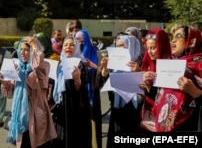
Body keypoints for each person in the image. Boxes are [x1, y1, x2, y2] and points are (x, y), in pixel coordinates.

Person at [0, 36, 57, 148]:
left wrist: (35, 45)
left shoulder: (43, 66)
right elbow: (10, 94)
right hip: (20, 116)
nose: (23, 52)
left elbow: (37, 63)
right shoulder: (17, 68)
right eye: (21, 49)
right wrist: (4, 82)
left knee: (36, 143)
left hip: (36, 116)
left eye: (27, 49)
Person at [152, 25, 202, 132]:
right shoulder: (169, 63)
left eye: (178, 36)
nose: (173, 41)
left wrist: (194, 91)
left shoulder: (200, 65)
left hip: (190, 127)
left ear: (191, 40)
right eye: (172, 37)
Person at [97, 34, 143, 148]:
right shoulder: (115, 65)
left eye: (123, 46)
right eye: (117, 46)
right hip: (117, 113)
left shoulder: (141, 63)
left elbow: (147, 90)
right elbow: (105, 86)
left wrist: (138, 72)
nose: (119, 49)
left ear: (131, 46)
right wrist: (105, 70)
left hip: (134, 114)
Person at [52, 36, 91, 148]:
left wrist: (77, 79)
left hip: (74, 109)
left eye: (72, 45)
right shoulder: (59, 64)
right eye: (66, 45)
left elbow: (81, 90)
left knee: (74, 139)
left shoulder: (80, 64)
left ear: (77, 48)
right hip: (60, 108)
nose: (68, 47)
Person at [68, 19, 102, 148]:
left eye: (82, 40)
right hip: (79, 95)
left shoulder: (95, 53)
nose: (80, 43)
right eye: (78, 41)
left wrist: (92, 65)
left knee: (93, 127)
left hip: (92, 94)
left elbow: (103, 75)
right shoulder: (74, 53)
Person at [139, 29, 172, 132]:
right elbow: (147, 95)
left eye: (153, 48)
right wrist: (144, 85)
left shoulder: (172, 66)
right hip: (148, 116)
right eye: (148, 48)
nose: (149, 52)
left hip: (164, 119)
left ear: (162, 46)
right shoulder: (148, 65)